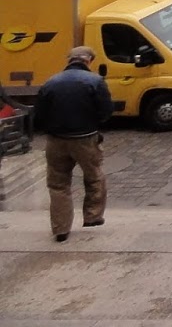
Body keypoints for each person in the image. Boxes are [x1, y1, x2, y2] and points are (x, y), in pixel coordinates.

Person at [33, 46, 112, 243]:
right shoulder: (95, 81)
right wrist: (94, 123)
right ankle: (92, 215)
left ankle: (61, 228)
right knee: (94, 176)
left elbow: (39, 114)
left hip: (56, 140)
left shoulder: (51, 82)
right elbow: (106, 111)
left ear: (69, 60)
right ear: (88, 61)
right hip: (85, 138)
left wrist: (51, 129)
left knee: (58, 184)